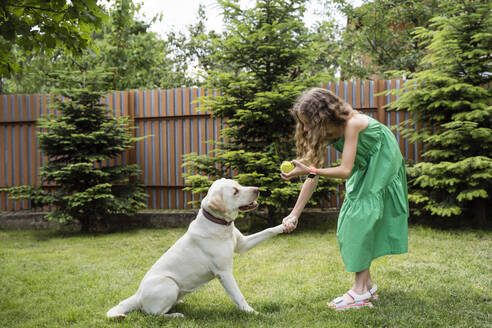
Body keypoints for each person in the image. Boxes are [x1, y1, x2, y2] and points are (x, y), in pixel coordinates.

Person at [281, 87, 409, 311]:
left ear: (323, 117)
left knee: (358, 221)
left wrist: (311, 170)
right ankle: (367, 287)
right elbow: (312, 173)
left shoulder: (353, 124)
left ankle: (359, 291)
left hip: (383, 161)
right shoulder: (328, 131)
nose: (307, 128)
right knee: (352, 222)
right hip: (366, 167)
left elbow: (345, 170)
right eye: (303, 123)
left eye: (309, 122)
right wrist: (294, 213)